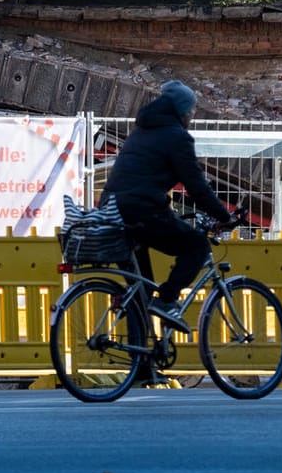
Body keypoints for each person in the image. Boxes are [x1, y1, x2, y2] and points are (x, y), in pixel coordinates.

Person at [101, 80, 237, 333]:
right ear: (181, 111)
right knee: (196, 245)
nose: (192, 116)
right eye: (191, 111)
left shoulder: (141, 131)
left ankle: (140, 366)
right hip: (141, 211)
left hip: (112, 211)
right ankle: (167, 300)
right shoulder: (177, 137)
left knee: (139, 289)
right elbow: (195, 185)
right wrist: (223, 215)